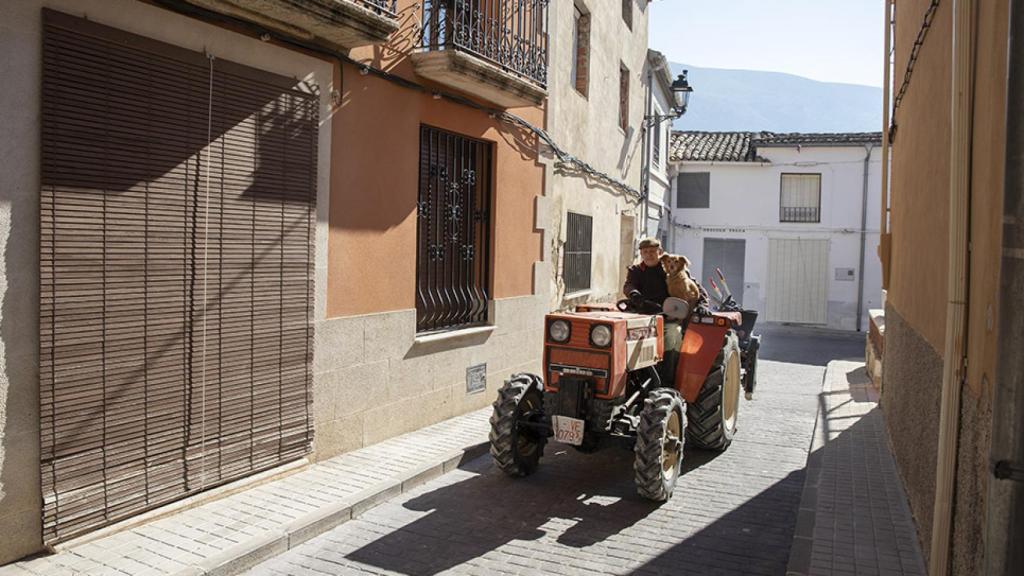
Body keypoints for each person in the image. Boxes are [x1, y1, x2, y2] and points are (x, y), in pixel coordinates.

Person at [623, 237, 710, 388]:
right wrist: (634, 294)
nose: (649, 255)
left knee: (672, 334)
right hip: (642, 315)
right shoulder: (636, 271)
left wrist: (703, 303)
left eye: (652, 252)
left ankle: (667, 380)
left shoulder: (671, 269)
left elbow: (693, 286)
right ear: (641, 254)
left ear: (660, 252)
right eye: (645, 252)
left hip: (667, 316)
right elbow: (629, 285)